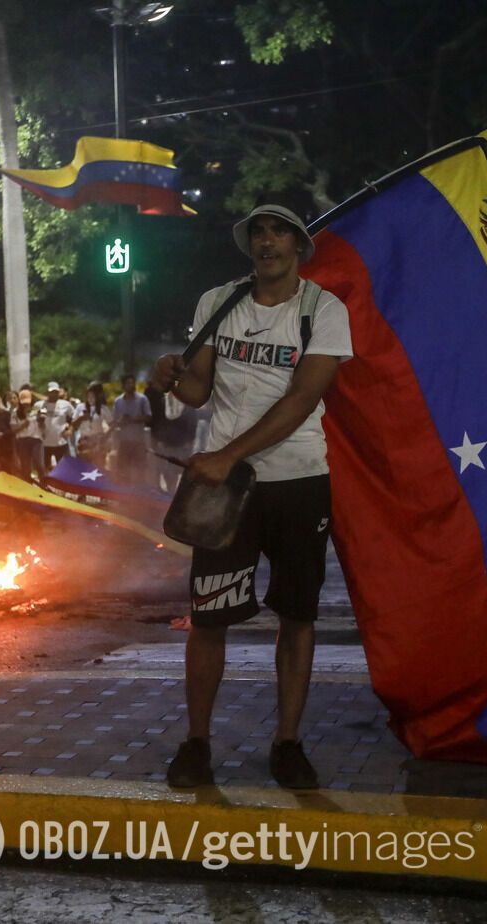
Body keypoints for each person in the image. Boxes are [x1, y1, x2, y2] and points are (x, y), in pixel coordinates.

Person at [152, 203, 352, 791]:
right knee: (209, 618)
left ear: (298, 245)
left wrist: (226, 455)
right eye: (258, 233)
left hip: (296, 479)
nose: (267, 242)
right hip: (224, 489)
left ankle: (287, 743)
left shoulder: (324, 310)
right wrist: (167, 375)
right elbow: (197, 390)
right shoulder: (219, 302)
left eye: (279, 232)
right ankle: (197, 743)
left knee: (298, 615)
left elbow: (301, 400)